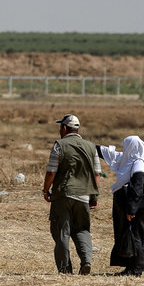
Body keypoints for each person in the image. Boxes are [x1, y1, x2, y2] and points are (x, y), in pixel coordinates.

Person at [42, 114, 101, 275]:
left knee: (62, 231)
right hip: (84, 196)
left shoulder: (59, 145)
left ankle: (65, 269)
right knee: (82, 230)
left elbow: (51, 171)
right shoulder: (91, 147)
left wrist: (46, 190)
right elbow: (96, 174)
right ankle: (86, 261)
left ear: (64, 128)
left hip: (64, 195)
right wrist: (94, 196)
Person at [97, 136, 144, 277]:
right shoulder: (129, 160)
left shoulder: (138, 163)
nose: (124, 150)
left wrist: (131, 209)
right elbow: (108, 153)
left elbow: (138, 186)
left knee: (135, 236)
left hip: (134, 206)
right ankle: (131, 267)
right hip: (130, 205)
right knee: (130, 236)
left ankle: (137, 267)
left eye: (126, 147)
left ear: (132, 147)